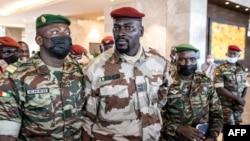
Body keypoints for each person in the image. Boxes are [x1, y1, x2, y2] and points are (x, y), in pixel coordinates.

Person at [82, 7, 172, 141]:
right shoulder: (95, 68)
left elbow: (162, 95)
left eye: (128, 28)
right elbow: (87, 117)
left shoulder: (158, 61)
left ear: (140, 31)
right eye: (116, 28)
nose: (120, 33)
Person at [0, 14, 85, 140]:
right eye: (55, 32)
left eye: (67, 32)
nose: (63, 37)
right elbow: (7, 133)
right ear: (39, 40)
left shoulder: (78, 70)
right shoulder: (17, 75)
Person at [160, 43, 223, 141]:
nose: (188, 63)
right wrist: (178, 128)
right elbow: (154, 116)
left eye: (192, 59)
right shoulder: (164, 82)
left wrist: (212, 136)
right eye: (183, 59)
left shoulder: (206, 81)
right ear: (175, 60)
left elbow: (217, 114)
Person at [214, 45, 249, 126]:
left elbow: (245, 85)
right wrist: (238, 98)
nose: (232, 55)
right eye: (230, 53)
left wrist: (241, 100)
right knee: (229, 125)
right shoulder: (220, 68)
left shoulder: (241, 68)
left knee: (237, 127)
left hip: (237, 105)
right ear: (227, 54)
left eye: (234, 54)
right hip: (225, 105)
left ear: (238, 55)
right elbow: (219, 88)